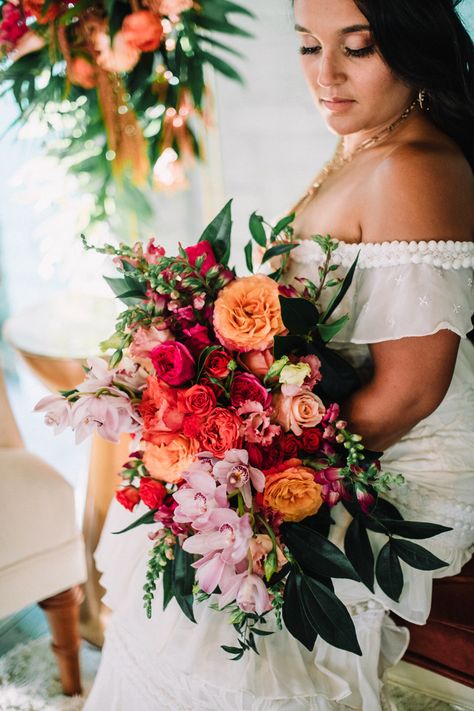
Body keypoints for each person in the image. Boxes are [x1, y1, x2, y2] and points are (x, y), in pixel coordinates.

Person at [85, 1, 474, 708]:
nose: (324, 74)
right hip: (324, 422)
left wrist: (257, 484)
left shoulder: (416, 166)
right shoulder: (370, 142)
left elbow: (414, 391)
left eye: (357, 48)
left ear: (414, 46)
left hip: (389, 453)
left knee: (202, 617)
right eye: (306, 45)